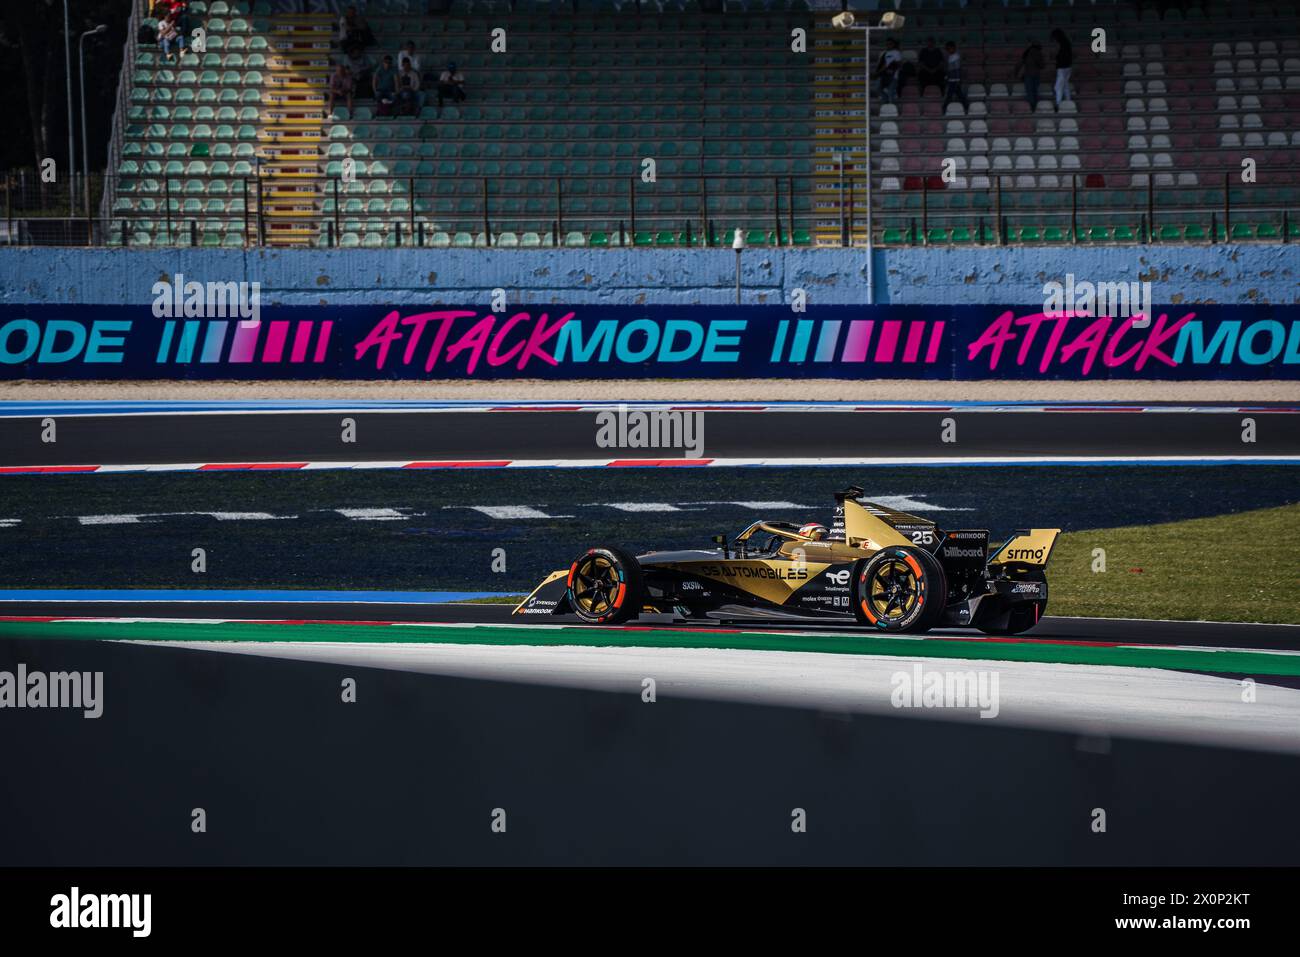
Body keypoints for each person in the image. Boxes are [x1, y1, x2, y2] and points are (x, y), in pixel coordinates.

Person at [1015, 39, 1045, 110]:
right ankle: (1035, 106)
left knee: (1029, 91)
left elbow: (1020, 63)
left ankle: (1031, 106)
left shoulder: (1027, 52)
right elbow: (1042, 65)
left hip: (1027, 74)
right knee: (1035, 91)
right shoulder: (1038, 52)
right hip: (1036, 74)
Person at [943, 41, 969, 112]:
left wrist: (958, 80)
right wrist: (947, 77)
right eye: (947, 49)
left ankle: (944, 107)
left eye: (950, 49)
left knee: (950, 95)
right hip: (951, 79)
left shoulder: (956, 57)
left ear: (954, 48)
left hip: (955, 80)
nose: (948, 50)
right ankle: (966, 106)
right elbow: (949, 69)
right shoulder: (950, 57)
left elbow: (957, 69)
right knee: (959, 94)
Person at [1051, 28, 1073, 108]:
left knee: (1058, 87)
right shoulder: (1067, 42)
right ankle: (1068, 101)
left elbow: (1054, 54)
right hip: (1068, 67)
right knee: (1065, 85)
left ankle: (1058, 103)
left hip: (1062, 67)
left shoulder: (1059, 43)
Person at [875, 38, 902, 104]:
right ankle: (885, 101)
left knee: (890, 91)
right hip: (883, 75)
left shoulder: (896, 52)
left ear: (893, 44)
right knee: (877, 88)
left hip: (892, 76)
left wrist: (890, 67)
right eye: (887, 44)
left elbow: (899, 64)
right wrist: (878, 72)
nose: (888, 45)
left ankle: (891, 106)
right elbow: (880, 65)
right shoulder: (883, 53)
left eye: (890, 44)